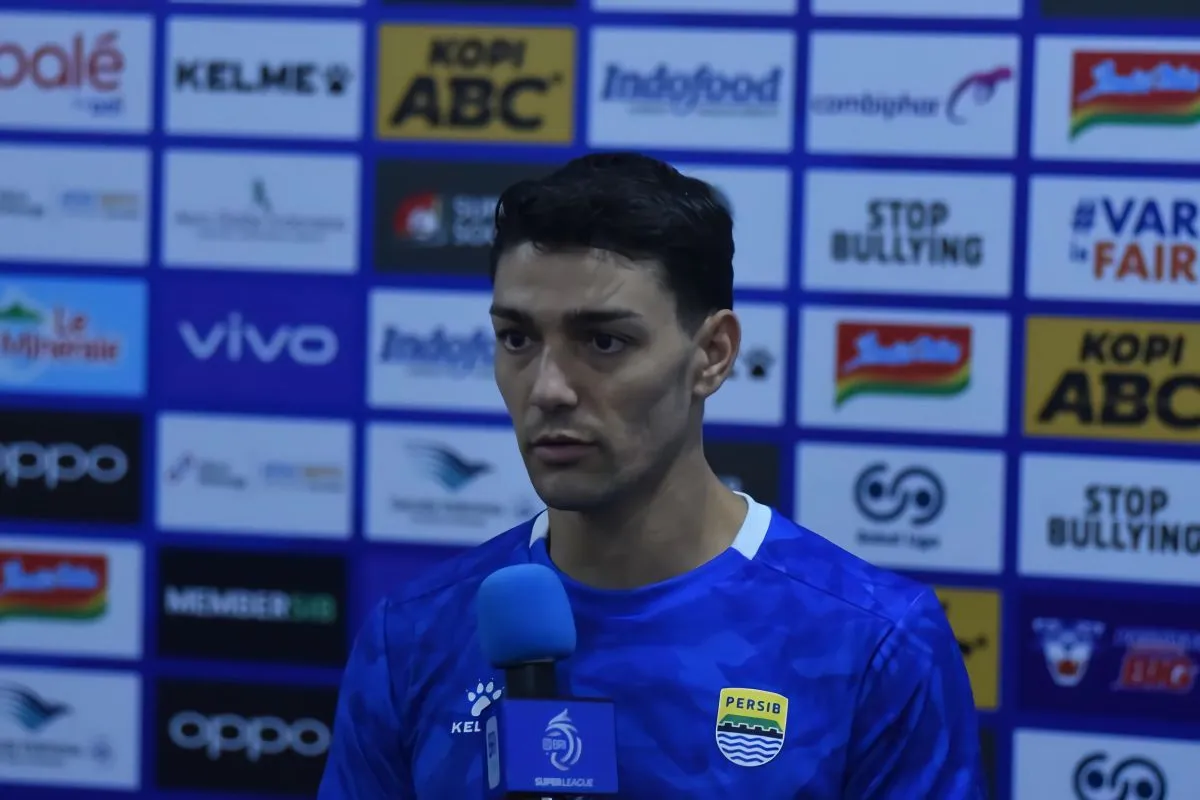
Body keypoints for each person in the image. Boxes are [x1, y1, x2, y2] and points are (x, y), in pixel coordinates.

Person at [318, 153, 985, 798]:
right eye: (517, 338)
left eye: (603, 341)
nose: (548, 389)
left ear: (713, 354)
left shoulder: (876, 643)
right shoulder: (412, 637)